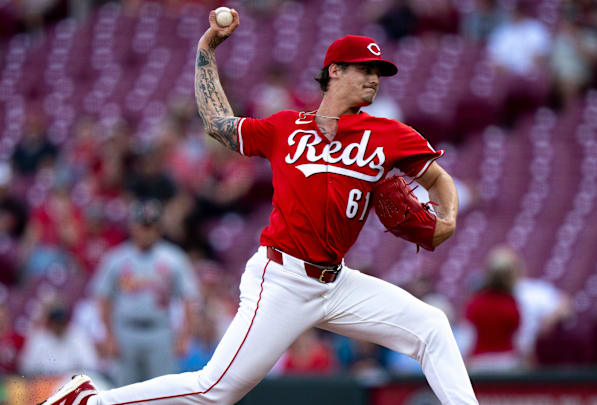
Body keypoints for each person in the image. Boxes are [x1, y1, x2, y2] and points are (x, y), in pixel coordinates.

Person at [41, 8, 477, 405]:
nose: (374, 79)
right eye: (365, 69)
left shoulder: (389, 134)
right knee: (216, 390)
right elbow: (218, 124)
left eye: (379, 72)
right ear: (335, 71)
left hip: (336, 281)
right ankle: (87, 402)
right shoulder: (285, 126)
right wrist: (206, 49)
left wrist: (450, 216)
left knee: (432, 327)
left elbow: (437, 180)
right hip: (283, 279)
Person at [91, 199, 199, 386]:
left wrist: (184, 336)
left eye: (151, 226)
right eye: (143, 225)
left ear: (159, 229)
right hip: (125, 332)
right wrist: (108, 335)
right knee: (123, 392)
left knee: (162, 392)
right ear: (133, 227)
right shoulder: (116, 258)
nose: (147, 231)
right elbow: (103, 298)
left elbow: (189, 298)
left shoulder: (173, 258)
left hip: (160, 332)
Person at [465, 252, 521, 371]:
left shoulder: (475, 302)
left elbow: (469, 337)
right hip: (505, 361)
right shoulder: (511, 303)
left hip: (481, 362)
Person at [19, 299, 98, 376]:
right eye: (56, 322)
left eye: (62, 322)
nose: (59, 326)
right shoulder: (39, 339)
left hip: (71, 382)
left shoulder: (78, 337)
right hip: (45, 383)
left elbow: (91, 366)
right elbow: (26, 369)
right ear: (50, 323)